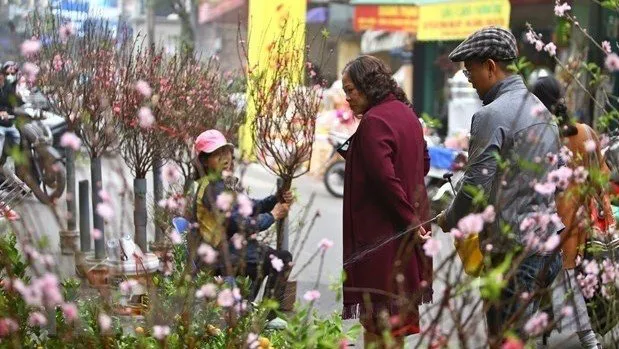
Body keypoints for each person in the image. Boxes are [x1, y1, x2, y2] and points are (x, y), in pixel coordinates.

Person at [436, 27, 563, 345]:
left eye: (470, 71)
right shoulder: (541, 110)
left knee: (504, 338)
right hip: (546, 247)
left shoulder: (491, 115)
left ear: (491, 65)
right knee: (520, 337)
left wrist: (449, 219)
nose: (469, 80)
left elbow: (475, 186)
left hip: (512, 253)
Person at [340, 55, 432, 348]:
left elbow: (384, 180)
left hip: (382, 240)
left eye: (351, 90)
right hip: (405, 239)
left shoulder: (374, 121)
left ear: (369, 86)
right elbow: (424, 163)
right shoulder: (407, 115)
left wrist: (408, 219)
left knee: (378, 324)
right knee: (395, 323)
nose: (348, 98)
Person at [532, 76, 609, 349]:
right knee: (579, 282)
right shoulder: (586, 132)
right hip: (587, 220)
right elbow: (603, 179)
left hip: (558, 224)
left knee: (558, 282)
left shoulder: (542, 138)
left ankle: (585, 340)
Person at [188, 129, 294, 304]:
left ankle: (248, 309)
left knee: (268, 257)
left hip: (228, 250)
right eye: (216, 155)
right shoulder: (211, 190)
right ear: (205, 162)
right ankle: (265, 315)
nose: (225, 159)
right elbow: (239, 224)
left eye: (225, 152)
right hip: (217, 256)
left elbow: (251, 206)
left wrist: (276, 197)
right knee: (281, 259)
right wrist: (273, 216)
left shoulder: (220, 184)